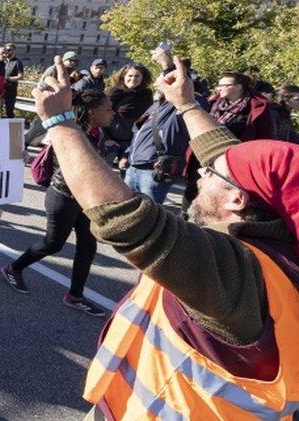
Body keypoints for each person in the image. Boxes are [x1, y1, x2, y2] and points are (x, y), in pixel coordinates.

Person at [35, 56, 299, 420]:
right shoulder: (279, 250)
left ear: (237, 200)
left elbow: (125, 220)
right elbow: (223, 155)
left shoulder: (238, 276)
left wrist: (60, 123)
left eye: (210, 174)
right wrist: (187, 103)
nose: (201, 175)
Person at [2, 89, 115, 317]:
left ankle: (75, 295)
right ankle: (13, 269)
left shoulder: (96, 132)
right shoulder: (72, 134)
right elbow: (71, 170)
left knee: (87, 247)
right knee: (53, 244)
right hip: (63, 196)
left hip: (85, 198)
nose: (113, 113)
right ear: (92, 112)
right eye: (108, 109)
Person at [184, 71, 274, 214]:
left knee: (217, 198)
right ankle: (185, 221)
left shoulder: (257, 108)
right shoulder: (214, 103)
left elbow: (264, 138)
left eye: (224, 85)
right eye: (218, 85)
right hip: (203, 156)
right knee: (191, 192)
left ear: (238, 87)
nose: (219, 88)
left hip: (230, 162)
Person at [105, 63, 153, 160]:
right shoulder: (113, 93)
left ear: (142, 78)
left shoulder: (146, 95)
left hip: (133, 141)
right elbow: (101, 116)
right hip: (112, 140)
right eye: (130, 76)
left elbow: (148, 118)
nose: (133, 79)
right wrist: (105, 139)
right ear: (123, 77)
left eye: (137, 76)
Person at [2, 44, 24, 119]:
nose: (7, 52)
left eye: (9, 50)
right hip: (0, 89)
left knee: (9, 110)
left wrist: (8, 79)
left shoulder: (17, 62)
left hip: (10, 89)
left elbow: (20, 76)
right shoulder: (3, 61)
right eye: (6, 50)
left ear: (13, 51)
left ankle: (12, 128)